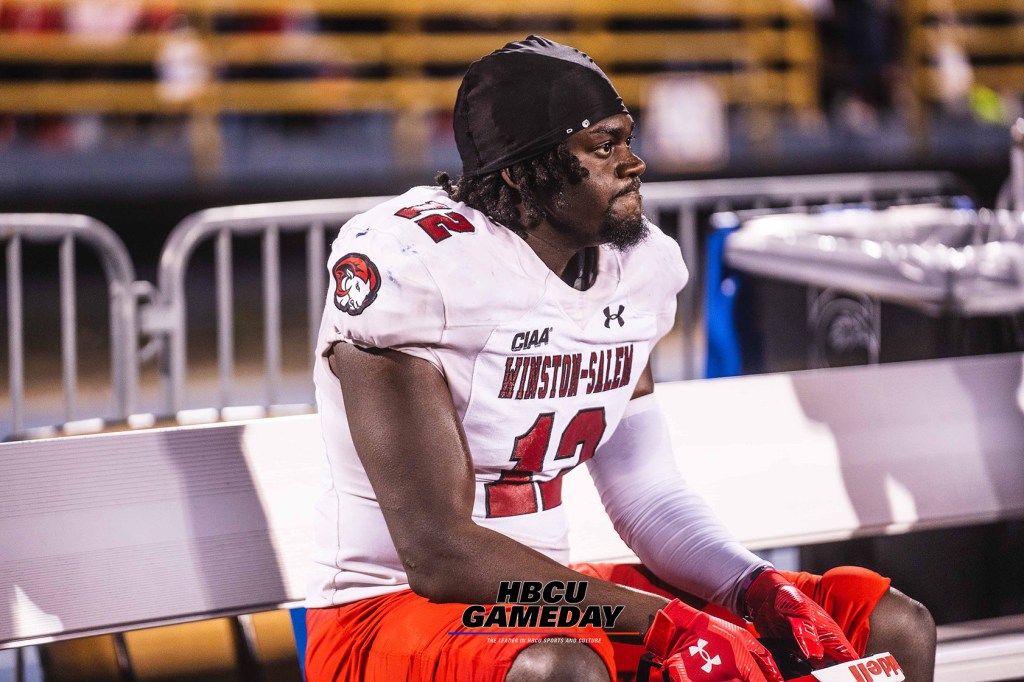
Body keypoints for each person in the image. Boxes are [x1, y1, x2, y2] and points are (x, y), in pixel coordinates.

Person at [304, 35, 936, 681]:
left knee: (881, 622)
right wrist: (659, 619)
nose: (634, 164)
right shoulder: (423, 272)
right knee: (564, 669)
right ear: (524, 173)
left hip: (546, 605)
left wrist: (753, 587)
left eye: (628, 139)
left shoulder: (635, 269)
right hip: (387, 612)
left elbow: (647, 493)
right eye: (604, 147)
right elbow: (438, 556)